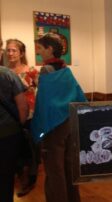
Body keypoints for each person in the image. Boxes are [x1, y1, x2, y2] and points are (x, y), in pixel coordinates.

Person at [31, 33, 86, 202]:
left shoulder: (46, 70)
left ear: (50, 49)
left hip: (53, 126)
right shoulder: (65, 69)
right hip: (69, 122)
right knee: (69, 167)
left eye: (40, 48)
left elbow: (44, 101)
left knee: (55, 170)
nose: (39, 52)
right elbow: (77, 94)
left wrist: (38, 127)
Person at [6, 38, 40, 197]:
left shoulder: (31, 71)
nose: (10, 53)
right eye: (8, 50)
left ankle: (30, 180)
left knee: (30, 150)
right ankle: (20, 177)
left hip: (30, 117)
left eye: (14, 50)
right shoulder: (4, 72)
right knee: (16, 150)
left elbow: (43, 91)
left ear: (21, 53)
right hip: (11, 117)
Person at [0, 65, 29, 202]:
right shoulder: (7, 74)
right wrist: (21, 125)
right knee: (6, 177)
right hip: (8, 133)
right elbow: (22, 106)